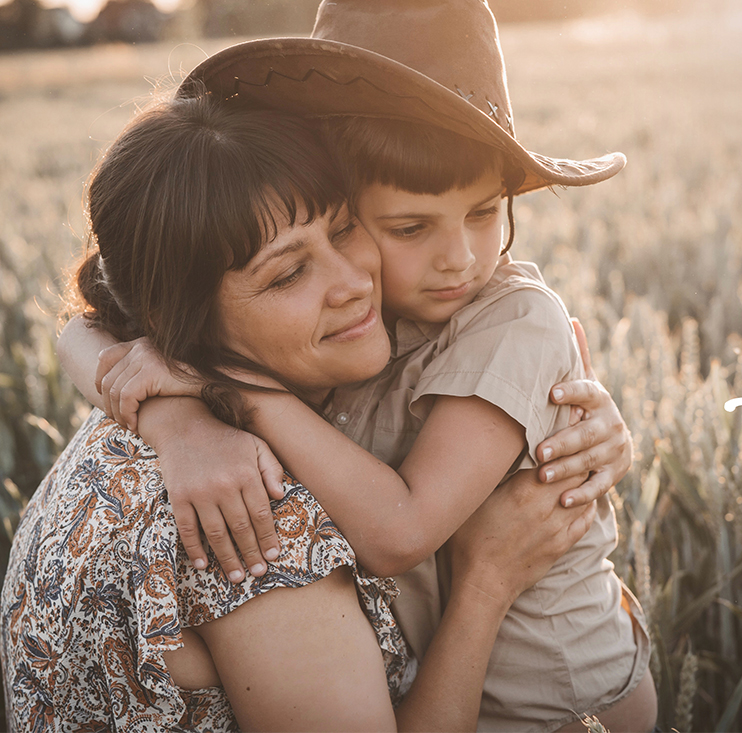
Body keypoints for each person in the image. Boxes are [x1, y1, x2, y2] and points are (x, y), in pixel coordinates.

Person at [63, 1, 656, 729]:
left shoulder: (505, 320)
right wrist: (175, 414)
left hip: (560, 697)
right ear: (338, 189)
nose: (461, 258)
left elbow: (399, 531)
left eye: (485, 213)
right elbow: (88, 326)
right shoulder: (360, 322)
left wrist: (229, 388)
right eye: (407, 227)